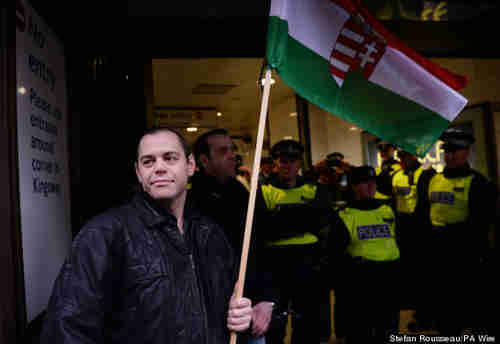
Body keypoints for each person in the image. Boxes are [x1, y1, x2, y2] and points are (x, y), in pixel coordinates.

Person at [40, 127, 252, 344]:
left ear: (190, 165)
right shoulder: (104, 235)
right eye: (148, 161)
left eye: (169, 158)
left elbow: (230, 307)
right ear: (138, 173)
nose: (159, 167)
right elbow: (67, 330)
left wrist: (241, 316)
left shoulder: (210, 234)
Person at [190, 129, 274, 344]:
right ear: (204, 161)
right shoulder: (188, 202)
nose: (232, 155)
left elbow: (262, 245)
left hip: (250, 313)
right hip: (207, 318)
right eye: (223, 151)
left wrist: (266, 300)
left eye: (232, 149)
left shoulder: (242, 192)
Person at [419, 127, 498, 335]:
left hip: (465, 257)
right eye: (447, 150)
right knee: (445, 314)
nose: (451, 155)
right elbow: (424, 216)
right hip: (438, 256)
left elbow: (480, 226)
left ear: (467, 152)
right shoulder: (432, 180)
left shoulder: (479, 183)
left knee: (475, 313)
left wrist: (448, 236)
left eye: (456, 151)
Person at [256, 139, 331, 344]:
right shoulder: (262, 191)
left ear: (299, 164)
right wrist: (303, 218)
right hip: (274, 267)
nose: (287, 165)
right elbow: (263, 229)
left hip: (308, 264)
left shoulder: (316, 190)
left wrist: (279, 219)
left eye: (292, 160)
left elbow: (322, 223)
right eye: (282, 160)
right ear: (275, 163)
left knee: (307, 322)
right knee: (274, 324)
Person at [328, 166, 401, 344]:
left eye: (372, 181)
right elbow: (336, 254)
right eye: (363, 182)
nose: (370, 185)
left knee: (389, 327)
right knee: (362, 331)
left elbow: (398, 240)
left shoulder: (387, 209)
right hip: (361, 280)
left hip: (389, 276)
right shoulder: (344, 215)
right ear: (354, 186)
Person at [390, 149, 436, 308]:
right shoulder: (396, 176)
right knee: (407, 266)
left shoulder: (425, 174)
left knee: (422, 268)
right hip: (403, 225)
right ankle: (410, 301)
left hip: (420, 225)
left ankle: (424, 305)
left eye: (406, 156)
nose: (403, 160)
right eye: (401, 157)